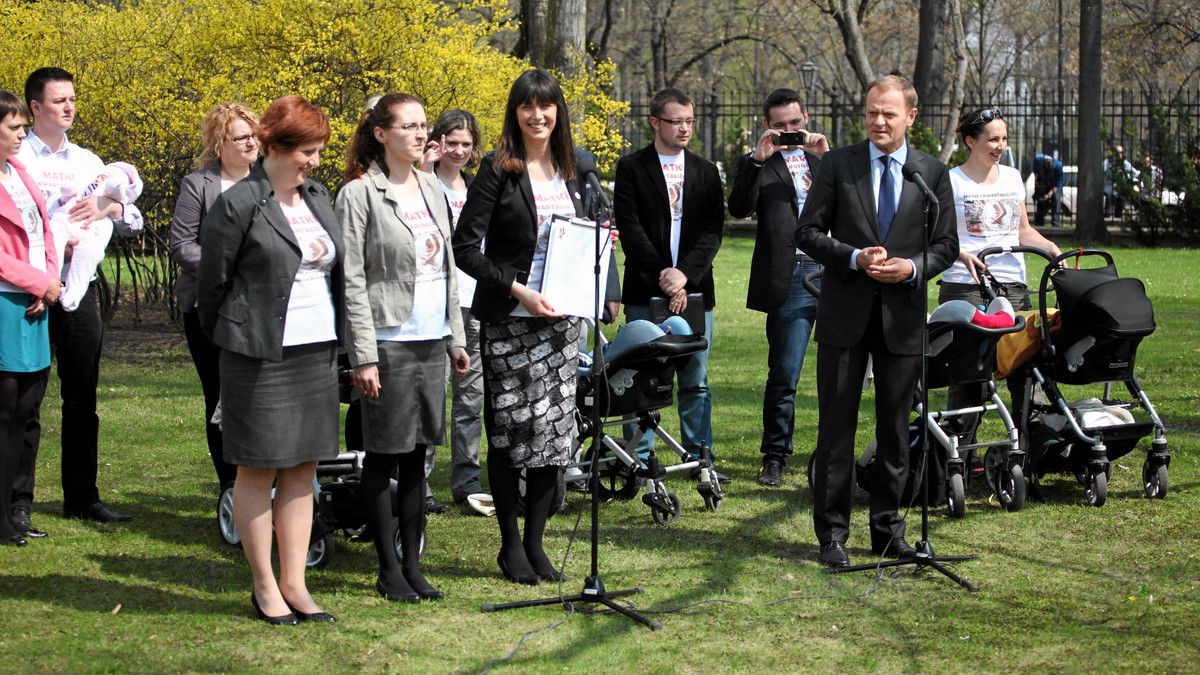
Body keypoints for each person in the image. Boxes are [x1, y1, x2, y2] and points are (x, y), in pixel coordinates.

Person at [796, 74, 959, 567]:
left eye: (888, 113)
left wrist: (912, 268)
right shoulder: (839, 165)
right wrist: (851, 258)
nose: (878, 121)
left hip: (902, 320)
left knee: (894, 431)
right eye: (871, 112)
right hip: (845, 316)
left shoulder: (929, 173)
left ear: (911, 117)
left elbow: (946, 246)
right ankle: (833, 536)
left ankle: (889, 531)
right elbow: (806, 231)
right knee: (836, 431)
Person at [197, 95, 342, 625]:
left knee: (303, 470)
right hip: (258, 355)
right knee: (257, 470)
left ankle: (295, 584)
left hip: (317, 351)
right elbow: (211, 288)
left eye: (320, 151)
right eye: (306, 150)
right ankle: (264, 588)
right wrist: (237, 335)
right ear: (274, 147)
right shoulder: (238, 204)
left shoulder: (320, 197)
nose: (315, 161)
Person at [452, 69, 593, 585]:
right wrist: (517, 290)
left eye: (547, 106)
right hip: (511, 325)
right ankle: (510, 546)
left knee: (554, 437)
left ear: (558, 112)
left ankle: (536, 543)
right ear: (515, 113)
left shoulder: (575, 170)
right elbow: (465, 248)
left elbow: (587, 235)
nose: (538, 115)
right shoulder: (498, 170)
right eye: (527, 107)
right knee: (513, 437)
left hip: (561, 326)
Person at [337, 93, 469, 602]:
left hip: (430, 339)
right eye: (409, 127)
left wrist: (455, 336)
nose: (420, 135)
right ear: (381, 134)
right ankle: (387, 569)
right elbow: (351, 279)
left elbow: (448, 269)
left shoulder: (432, 187)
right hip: (387, 343)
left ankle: (413, 566)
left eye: (422, 127)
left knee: (418, 458)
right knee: (383, 456)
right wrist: (362, 356)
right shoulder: (359, 194)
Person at [15, 68, 139, 528]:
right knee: (24, 398)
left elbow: (132, 215)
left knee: (82, 395)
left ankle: (82, 498)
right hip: (30, 288)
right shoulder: (16, 156)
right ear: (35, 108)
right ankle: (17, 502)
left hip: (79, 289)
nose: (69, 107)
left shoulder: (89, 161)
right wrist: (51, 240)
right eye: (58, 100)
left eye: (72, 99)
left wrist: (110, 207)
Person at [612, 87, 726, 479]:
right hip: (646, 290)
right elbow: (631, 230)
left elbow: (713, 232)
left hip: (695, 294)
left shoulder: (706, 171)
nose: (684, 128)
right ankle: (637, 461)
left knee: (695, 381)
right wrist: (666, 279)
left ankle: (699, 458)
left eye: (689, 121)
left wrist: (685, 278)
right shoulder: (631, 168)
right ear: (655, 122)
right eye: (676, 121)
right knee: (639, 379)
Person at [938, 109, 1060, 444]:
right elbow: (938, 238)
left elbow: (1023, 231)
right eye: (992, 139)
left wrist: (1051, 247)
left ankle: (1028, 448)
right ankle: (959, 455)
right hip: (967, 288)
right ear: (970, 141)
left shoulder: (1011, 177)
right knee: (970, 376)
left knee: (1025, 368)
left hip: (1013, 286)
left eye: (1003, 139)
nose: (1000, 146)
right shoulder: (951, 181)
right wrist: (961, 255)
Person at [728, 88, 829, 488]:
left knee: (838, 374)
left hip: (832, 272)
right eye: (779, 125)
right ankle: (774, 456)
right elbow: (738, 207)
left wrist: (828, 157)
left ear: (807, 117)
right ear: (767, 125)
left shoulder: (825, 159)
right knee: (784, 374)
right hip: (790, 277)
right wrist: (757, 159)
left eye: (796, 124)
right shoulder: (761, 163)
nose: (789, 132)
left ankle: (829, 455)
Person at [169, 103, 260, 491]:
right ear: (220, 144)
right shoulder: (199, 184)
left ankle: (262, 481)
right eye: (242, 137)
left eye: (254, 134)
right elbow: (181, 245)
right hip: (210, 309)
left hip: (263, 309)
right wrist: (226, 266)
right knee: (221, 397)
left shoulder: (271, 183)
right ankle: (231, 486)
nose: (251, 142)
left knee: (261, 397)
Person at [0, 90, 60, 546]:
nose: (23, 134)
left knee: (27, 410)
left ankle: (17, 507)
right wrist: (37, 283)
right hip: (6, 302)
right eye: (14, 127)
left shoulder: (19, 173)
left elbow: (44, 232)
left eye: (23, 126)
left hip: (35, 302)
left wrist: (49, 282)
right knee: (5, 412)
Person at [419, 109, 485, 515]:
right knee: (432, 397)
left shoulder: (479, 188)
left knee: (471, 398)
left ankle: (467, 482)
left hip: (475, 302)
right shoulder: (422, 186)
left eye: (466, 143)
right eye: (451, 143)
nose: (459, 151)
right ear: (437, 142)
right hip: (435, 305)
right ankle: (420, 483)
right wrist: (423, 170)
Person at [1031, 152, 1063, 227]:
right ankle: (1039, 223)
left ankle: (1056, 224)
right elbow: (1035, 173)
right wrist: (1038, 188)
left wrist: (1049, 195)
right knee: (1040, 202)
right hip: (1042, 181)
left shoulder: (1059, 166)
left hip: (1053, 182)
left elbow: (1058, 185)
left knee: (1056, 200)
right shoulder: (1037, 160)